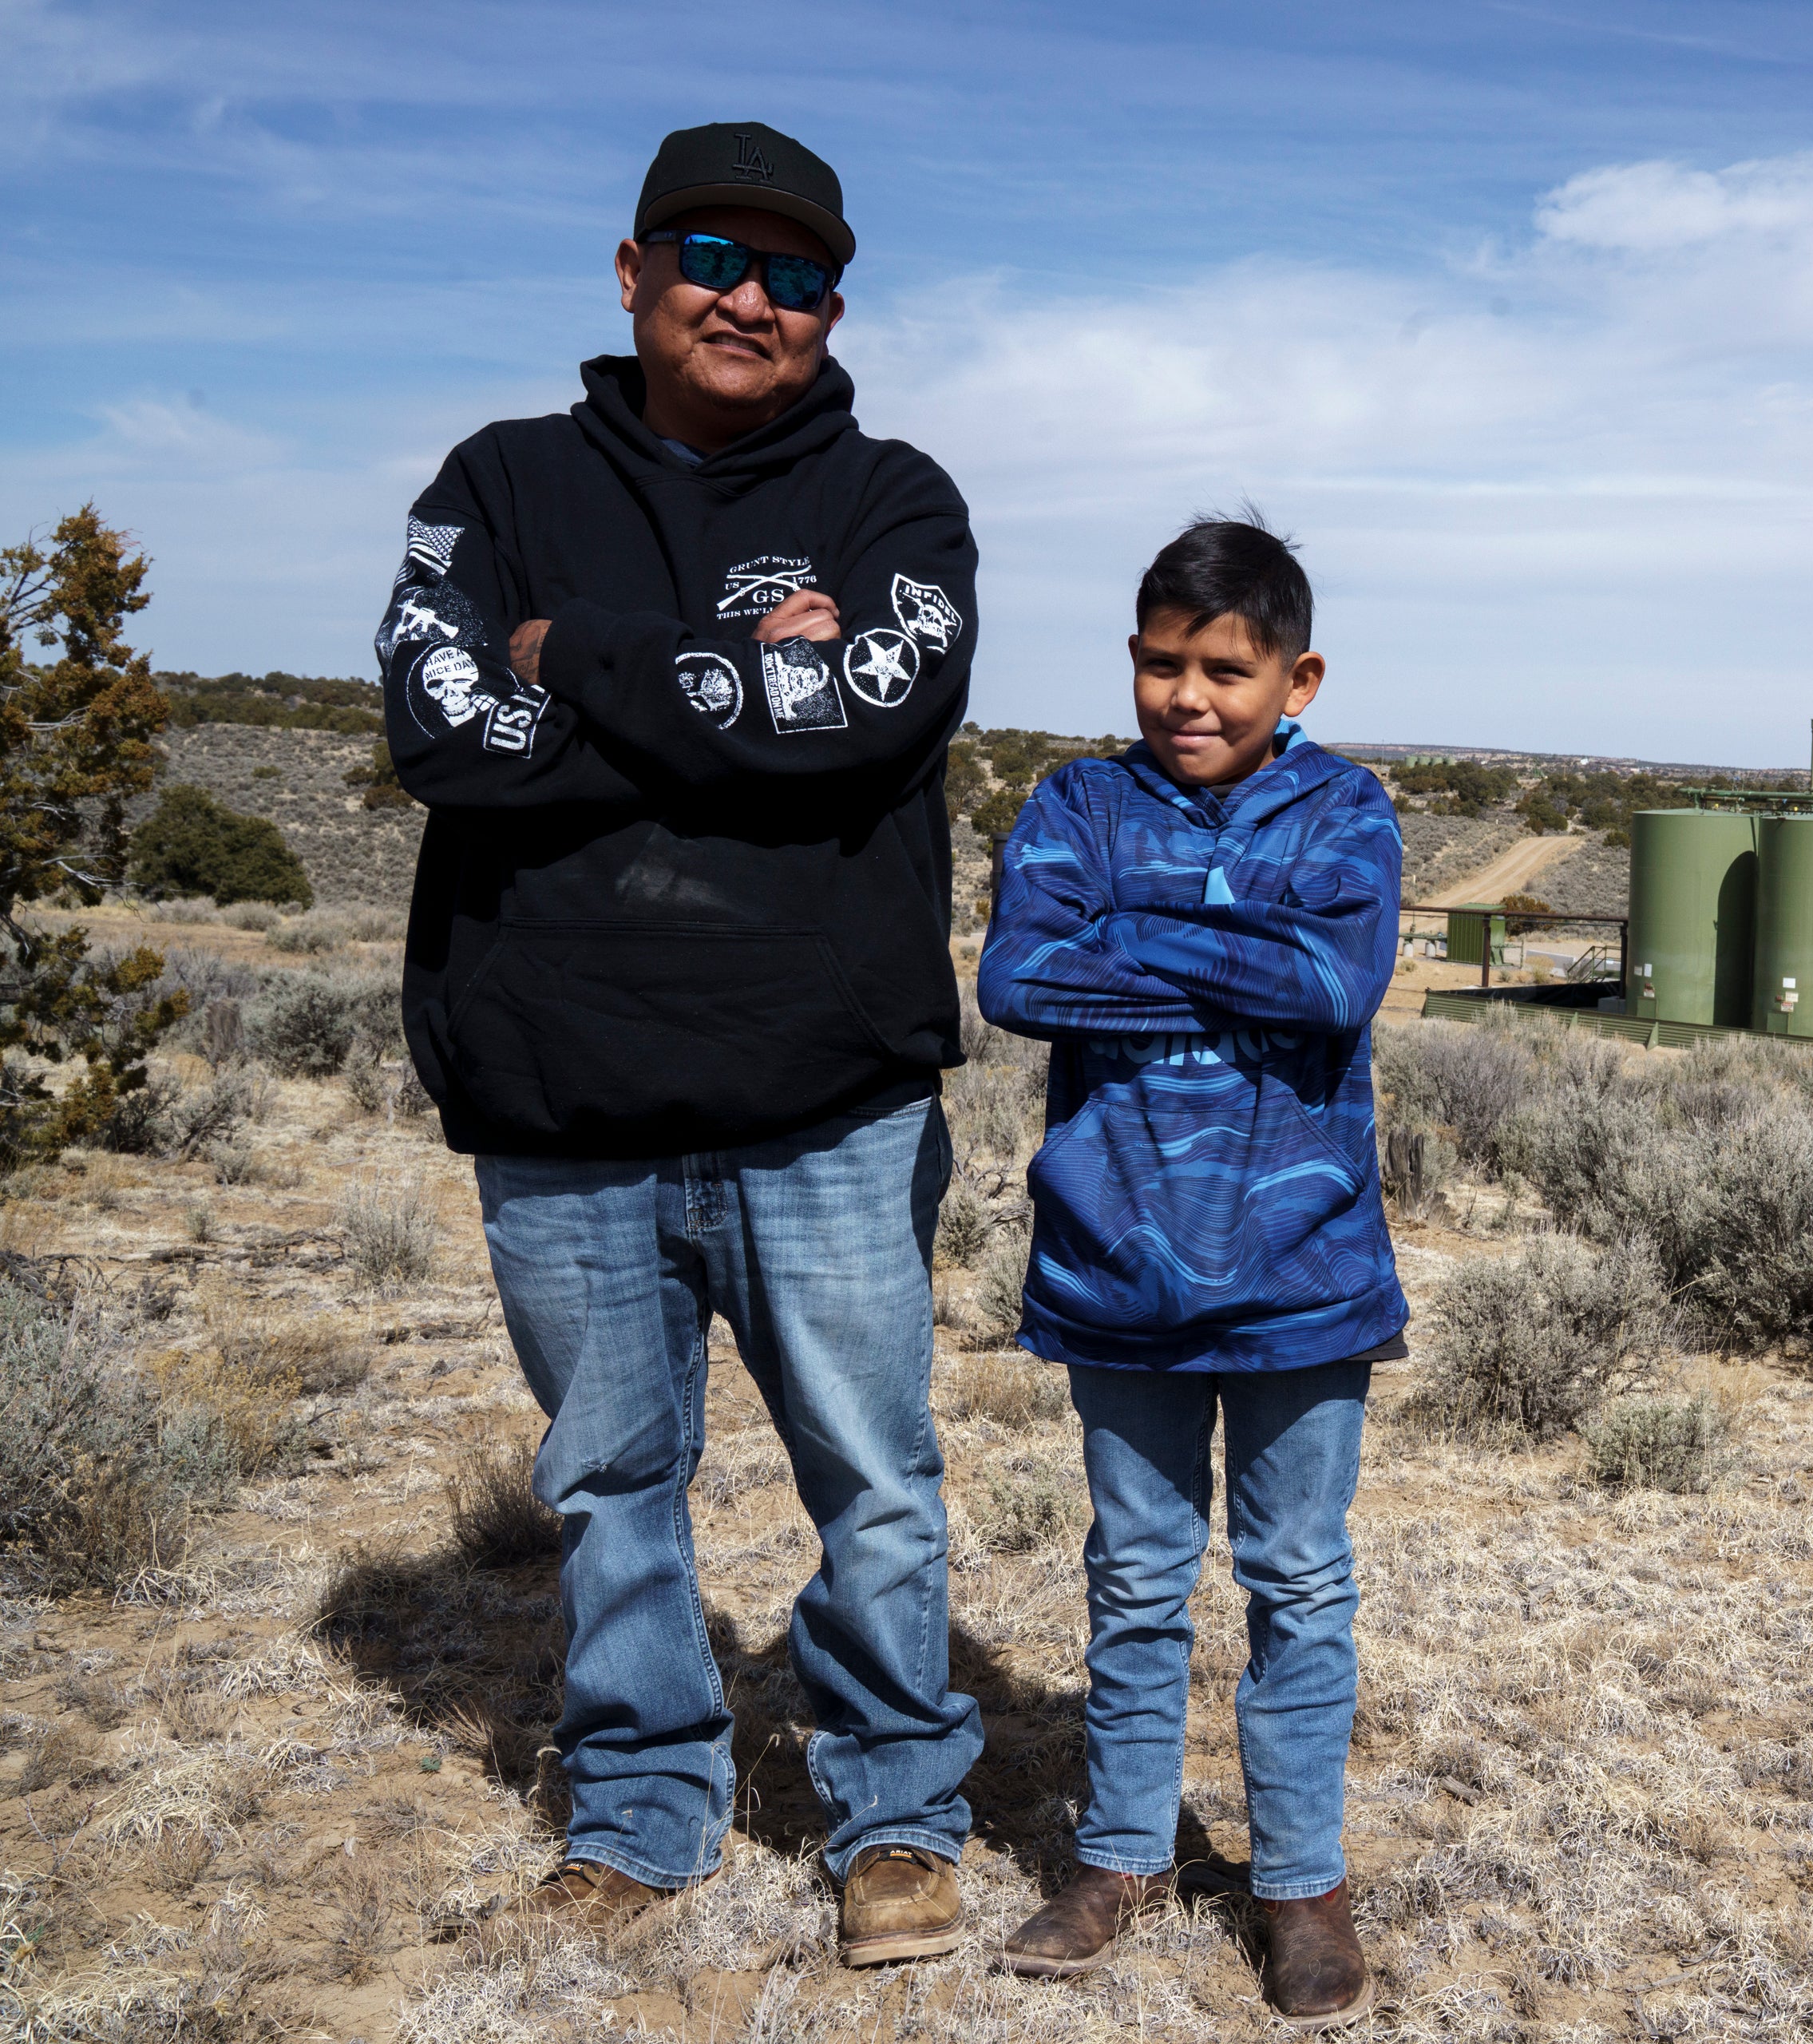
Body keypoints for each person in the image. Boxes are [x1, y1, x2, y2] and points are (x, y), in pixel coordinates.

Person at [382, 122, 982, 1967]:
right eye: (712, 256)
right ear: (632, 271)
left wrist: (578, 655)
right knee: (608, 1486)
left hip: (826, 1103)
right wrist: (733, 691)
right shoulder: (490, 485)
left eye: (794, 274)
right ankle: (645, 1799)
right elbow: (447, 727)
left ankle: (894, 1809)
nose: (750, 297)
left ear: (832, 309)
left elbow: (858, 725)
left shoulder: (899, 502)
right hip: (562, 1102)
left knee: (873, 1478)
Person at [973, 519, 1403, 2030]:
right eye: (1163, 662)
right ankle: (1117, 1857)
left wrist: (1135, 930)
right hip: (1117, 1265)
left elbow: (1335, 981)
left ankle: (1300, 1882)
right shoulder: (1076, 803)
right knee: (1140, 1581)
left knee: (1298, 1582)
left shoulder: (1347, 811)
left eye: (1228, 668)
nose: (1190, 696)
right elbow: (1019, 976)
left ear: (1299, 676)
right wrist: (1231, 934)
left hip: (1302, 1272)